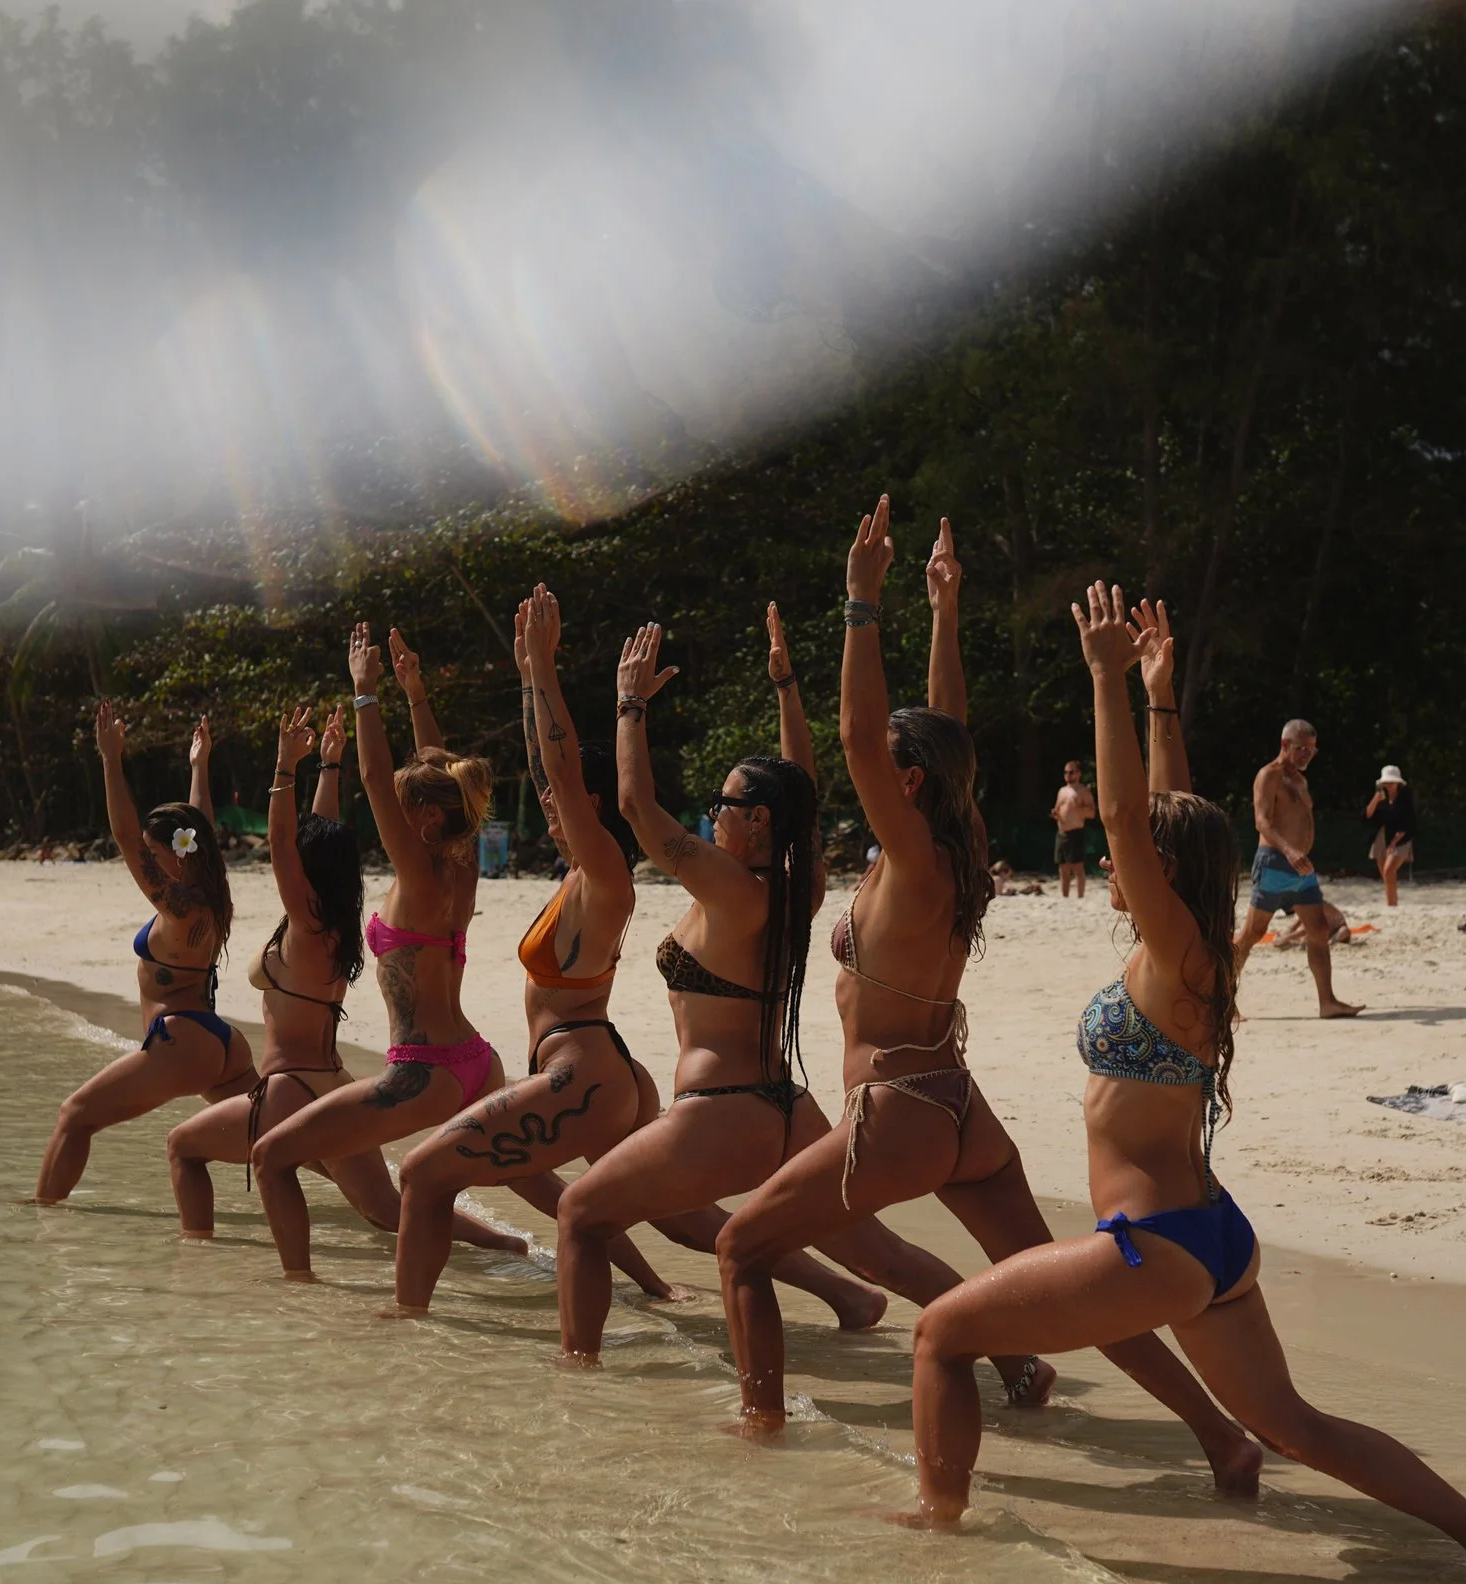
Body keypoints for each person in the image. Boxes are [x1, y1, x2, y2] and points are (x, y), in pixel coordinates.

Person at [903, 582, 1466, 1576]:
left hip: (1151, 1242)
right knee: (1293, 1426)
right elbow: (1166, 812)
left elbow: (1127, 815)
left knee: (942, 1333)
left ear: (1157, 866)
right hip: (1207, 1234)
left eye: (1128, 854)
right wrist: (1158, 696)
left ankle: (936, 1537)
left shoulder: (1180, 954)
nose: (1112, 859)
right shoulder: (1190, 947)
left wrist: (1104, 679)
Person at [711, 503, 1261, 1484]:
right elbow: (943, 729)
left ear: (908, 784)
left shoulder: (915, 861)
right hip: (958, 1109)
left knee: (741, 1247)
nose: (869, 772)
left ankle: (759, 1428)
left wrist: (862, 601)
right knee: (1073, 1291)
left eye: (888, 769)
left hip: (897, 1109)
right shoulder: (941, 850)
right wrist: (943, 613)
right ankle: (1218, 1437)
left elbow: (860, 732)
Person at [557, 607, 993, 1366]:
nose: (711, 817)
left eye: (722, 806)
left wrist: (629, 704)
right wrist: (787, 690)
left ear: (757, 820)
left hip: (720, 1111)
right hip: (784, 1108)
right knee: (879, 1255)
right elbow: (805, 791)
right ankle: (1016, 1356)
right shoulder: (800, 885)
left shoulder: (733, 891)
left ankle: (577, 1370)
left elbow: (634, 807)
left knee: (580, 1214)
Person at [388, 586, 715, 1314]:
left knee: (421, 1174)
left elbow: (561, 772)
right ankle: (841, 1293)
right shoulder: (579, 871)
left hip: (583, 1073)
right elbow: (549, 767)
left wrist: (545, 664)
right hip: (589, 1069)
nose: (546, 802)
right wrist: (527, 674)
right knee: (683, 1219)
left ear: (591, 807)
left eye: (563, 801)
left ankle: (406, 1322)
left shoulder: (605, 874)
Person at [163, 702, 526, 1259]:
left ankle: (207, 1260)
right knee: (382, 1208)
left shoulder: (307, 921)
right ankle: (504, 1245)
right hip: (334, 1077)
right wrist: (328, 766)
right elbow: (320, 834)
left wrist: (287, 766)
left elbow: (284, 841)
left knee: (183, 1147)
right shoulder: (339, 920)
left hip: (293, 1086)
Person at [247, 626, 516, 1280]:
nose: (390, 809)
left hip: (423, 1070)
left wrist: (366, 693)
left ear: (425, 817)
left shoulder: (420, 876)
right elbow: (440, 772)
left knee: (271, 1158)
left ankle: (300, 1290)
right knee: (526, 1189)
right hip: (477, 1060)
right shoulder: (460, 865)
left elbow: (373, 774)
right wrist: (415, 694)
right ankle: (549, 1260)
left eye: (404, 804)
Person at [35, 706, 256, 1203]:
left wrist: (110, 760)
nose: (148, 864)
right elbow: (200, 828)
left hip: (181, 1044)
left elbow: (125, 837)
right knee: (281, 1133)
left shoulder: (180, 908)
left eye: (156, 855)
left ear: (177, 853)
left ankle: (41, 1220)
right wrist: (199, 766)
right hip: (220, 1045)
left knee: (75, 1115)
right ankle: (374, 1196)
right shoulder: (207, 895)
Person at [1228, 718, 1362, 1017]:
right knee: (1253, 933)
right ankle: (1221, 1001)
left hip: (1301, 867)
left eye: (1312, 750)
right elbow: (1261, 821)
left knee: (1319, 930)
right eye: (1302, 748)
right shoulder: (1269, 775)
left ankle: (1327, 1002)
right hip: (1275, 863)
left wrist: (1297, 853)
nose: (1307, 755)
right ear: (1285, 744)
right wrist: (1289, 851)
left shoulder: (1300, 780)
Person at [1364, 765, 1417, 908]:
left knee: (1389, 870)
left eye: (1392, 782)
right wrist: (1376, 798)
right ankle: (1392, 905)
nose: (1389, 785)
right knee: (1386, 875)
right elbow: (1367, 815)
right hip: (1381, 837)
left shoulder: (1404, 801)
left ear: (1398, 783)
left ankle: (1392, 905)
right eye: (1386, 782)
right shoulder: (1381, 800)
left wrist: (1393, 843)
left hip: (1401, 837)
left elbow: (1407, 825)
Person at [1050, 760, 1097, 897]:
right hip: (1062, 832)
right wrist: (1055, 813)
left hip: (1076, 832)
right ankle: (1065, 896)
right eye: (1065, 772)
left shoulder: (1083, 791)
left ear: (1078, 773)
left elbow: (1092, 813)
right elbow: (1057, 808)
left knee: (1078, 867)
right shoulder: (1062, 791)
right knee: (1063, 867)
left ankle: (1080, 897)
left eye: (1071, 772)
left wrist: (1080, 810)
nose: (1068, 775)